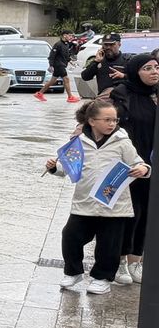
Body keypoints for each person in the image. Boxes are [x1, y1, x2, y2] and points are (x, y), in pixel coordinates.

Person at [48, 97, 149, 295]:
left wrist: (142, 169)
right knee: (70, 235)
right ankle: (73, 272)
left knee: (109, 245)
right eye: (107, 120)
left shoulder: (122, 142)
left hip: (114, 205)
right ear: (92, 121)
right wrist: (54, 167)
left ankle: (102, 277)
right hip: (84, 202)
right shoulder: (79, 141)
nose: (112, 124)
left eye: (114, 120)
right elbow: (67, 168)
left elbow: (140, 163)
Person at [111, 52, 159, 283]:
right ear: (135, 71)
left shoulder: (156, 95)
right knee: (130, 214)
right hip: (127, 166)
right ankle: (120, 263)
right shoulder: (121, 94)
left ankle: (136, 261)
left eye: (156, 68)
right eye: (147, 68)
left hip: (151, 166)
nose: (154, 72)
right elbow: (108, 123)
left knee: (147, 216)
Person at [40, 31, 80, 103]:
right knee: (66, 79)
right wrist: (51, 65)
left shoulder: (66, 44)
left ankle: (39, 93)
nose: (71, 37)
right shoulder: (58, 44)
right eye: (70, 35)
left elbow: (65, 55)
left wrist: (70, 61)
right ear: (64, 35)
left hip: (62, 64)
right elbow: (52, 56)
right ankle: (70, 97)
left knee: (53, 81)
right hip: (58, 65)